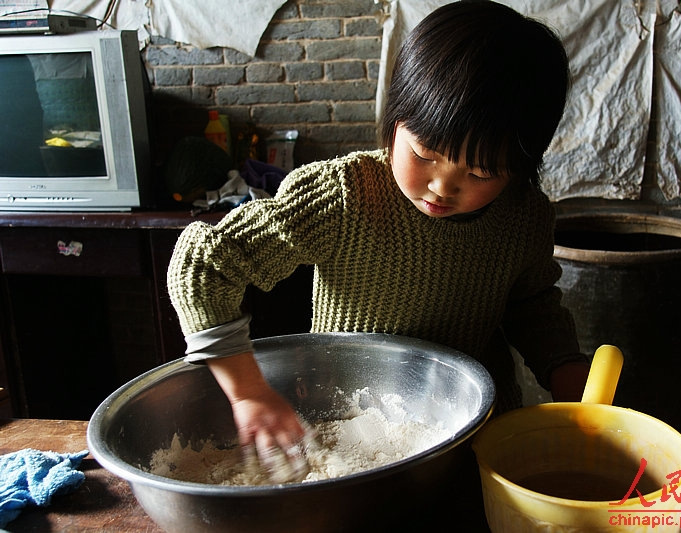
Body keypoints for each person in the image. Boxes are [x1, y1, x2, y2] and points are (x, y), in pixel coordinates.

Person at [167, 0, 590, 472]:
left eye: (480, 172)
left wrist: (565, 367)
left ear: (521, 169)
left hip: (474, 436)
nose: (442, 186)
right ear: (394, 122)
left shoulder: (524, 217)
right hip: (347, 435)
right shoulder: (343, 196)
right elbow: (203, 263)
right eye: (425, 153)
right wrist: (247, 392)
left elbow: (531, 303)